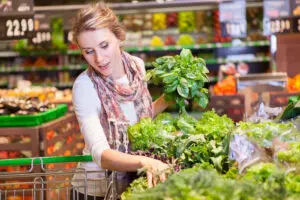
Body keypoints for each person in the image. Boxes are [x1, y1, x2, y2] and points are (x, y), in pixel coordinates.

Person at [71, 2, 173, 199]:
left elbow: (137, 121)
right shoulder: (85, 86)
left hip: (131, 184)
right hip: (95, 190)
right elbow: (100, 154)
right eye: (88, 51)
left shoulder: (136, 66)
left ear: (119, 37)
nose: (99, 59)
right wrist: (144, 162)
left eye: (104, 45)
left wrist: (167, 99)